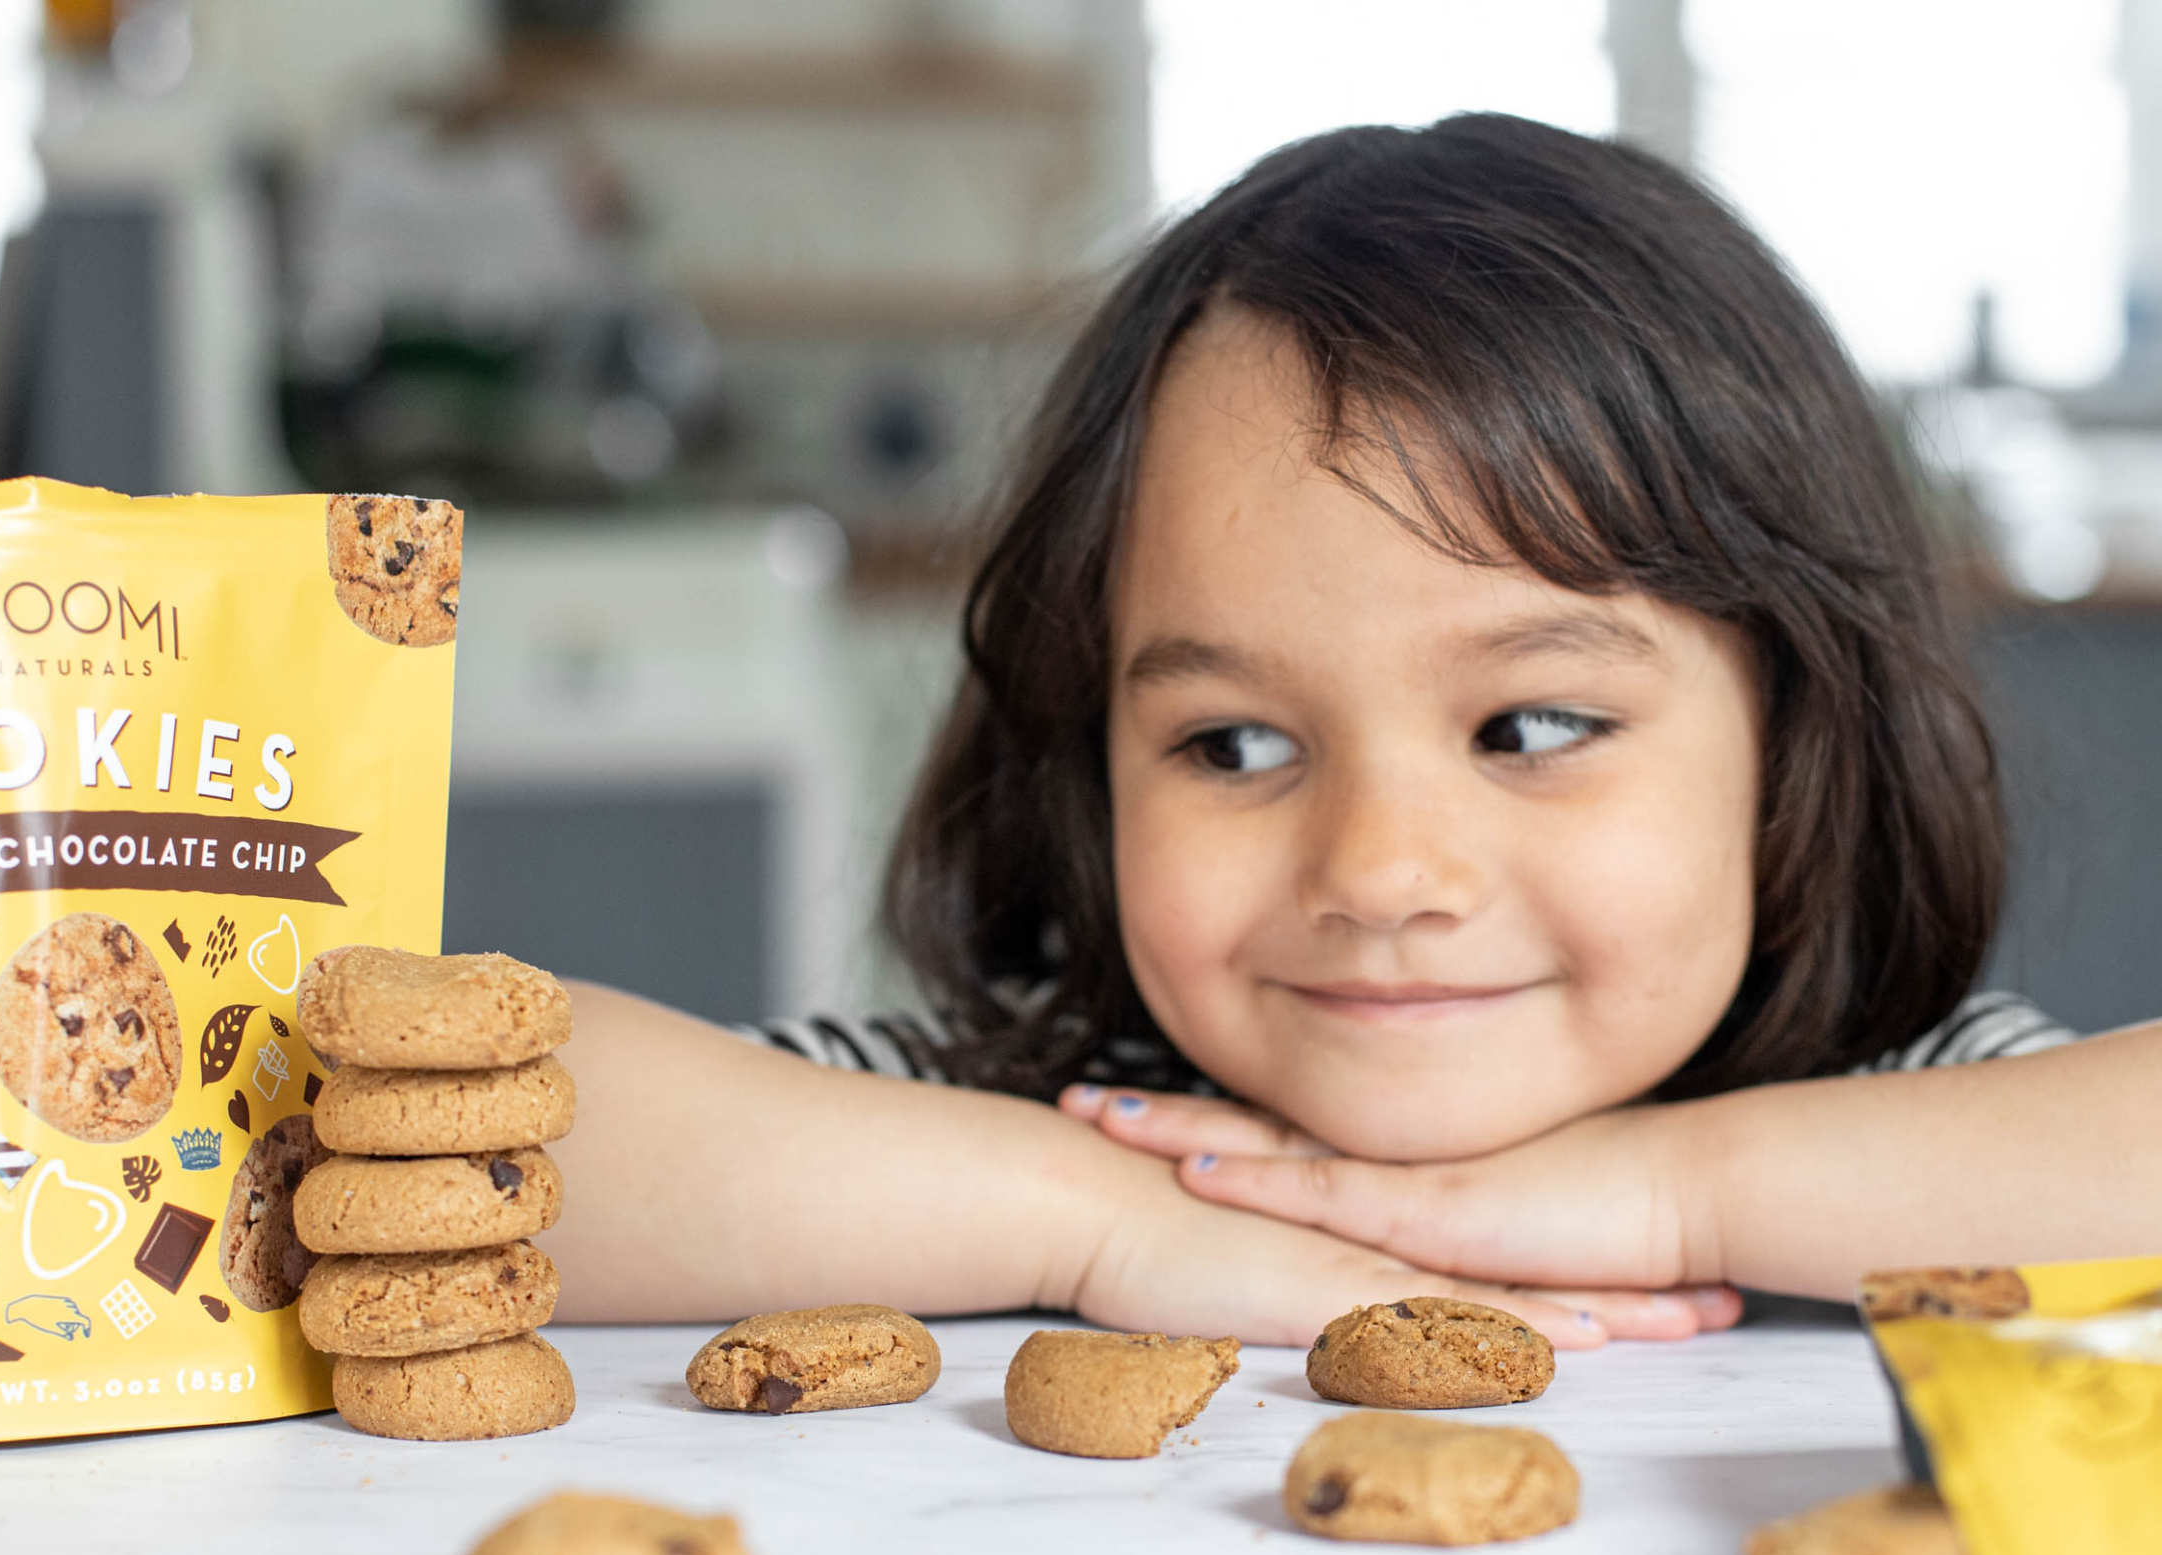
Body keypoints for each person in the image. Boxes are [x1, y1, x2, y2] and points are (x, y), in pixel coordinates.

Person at [541, 114, 2150, 1352]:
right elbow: (440, 1132)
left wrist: (1678, 1193)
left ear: (1795, 738)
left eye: (1528, 724)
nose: (1379, 873)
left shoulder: (1903, 1104)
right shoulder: (1071, 1115)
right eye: (1233, 747)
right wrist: (1092, 1224)